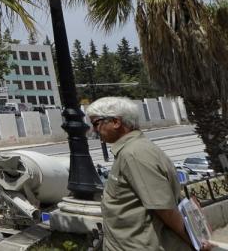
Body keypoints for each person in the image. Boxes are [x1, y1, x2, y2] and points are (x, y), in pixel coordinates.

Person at [87, 96, 210, 250]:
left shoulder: (134, 154)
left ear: (116, 122)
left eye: (96, 123)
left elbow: (164, 208)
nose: (93, 130)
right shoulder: (133, 150)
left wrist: (198, 243)